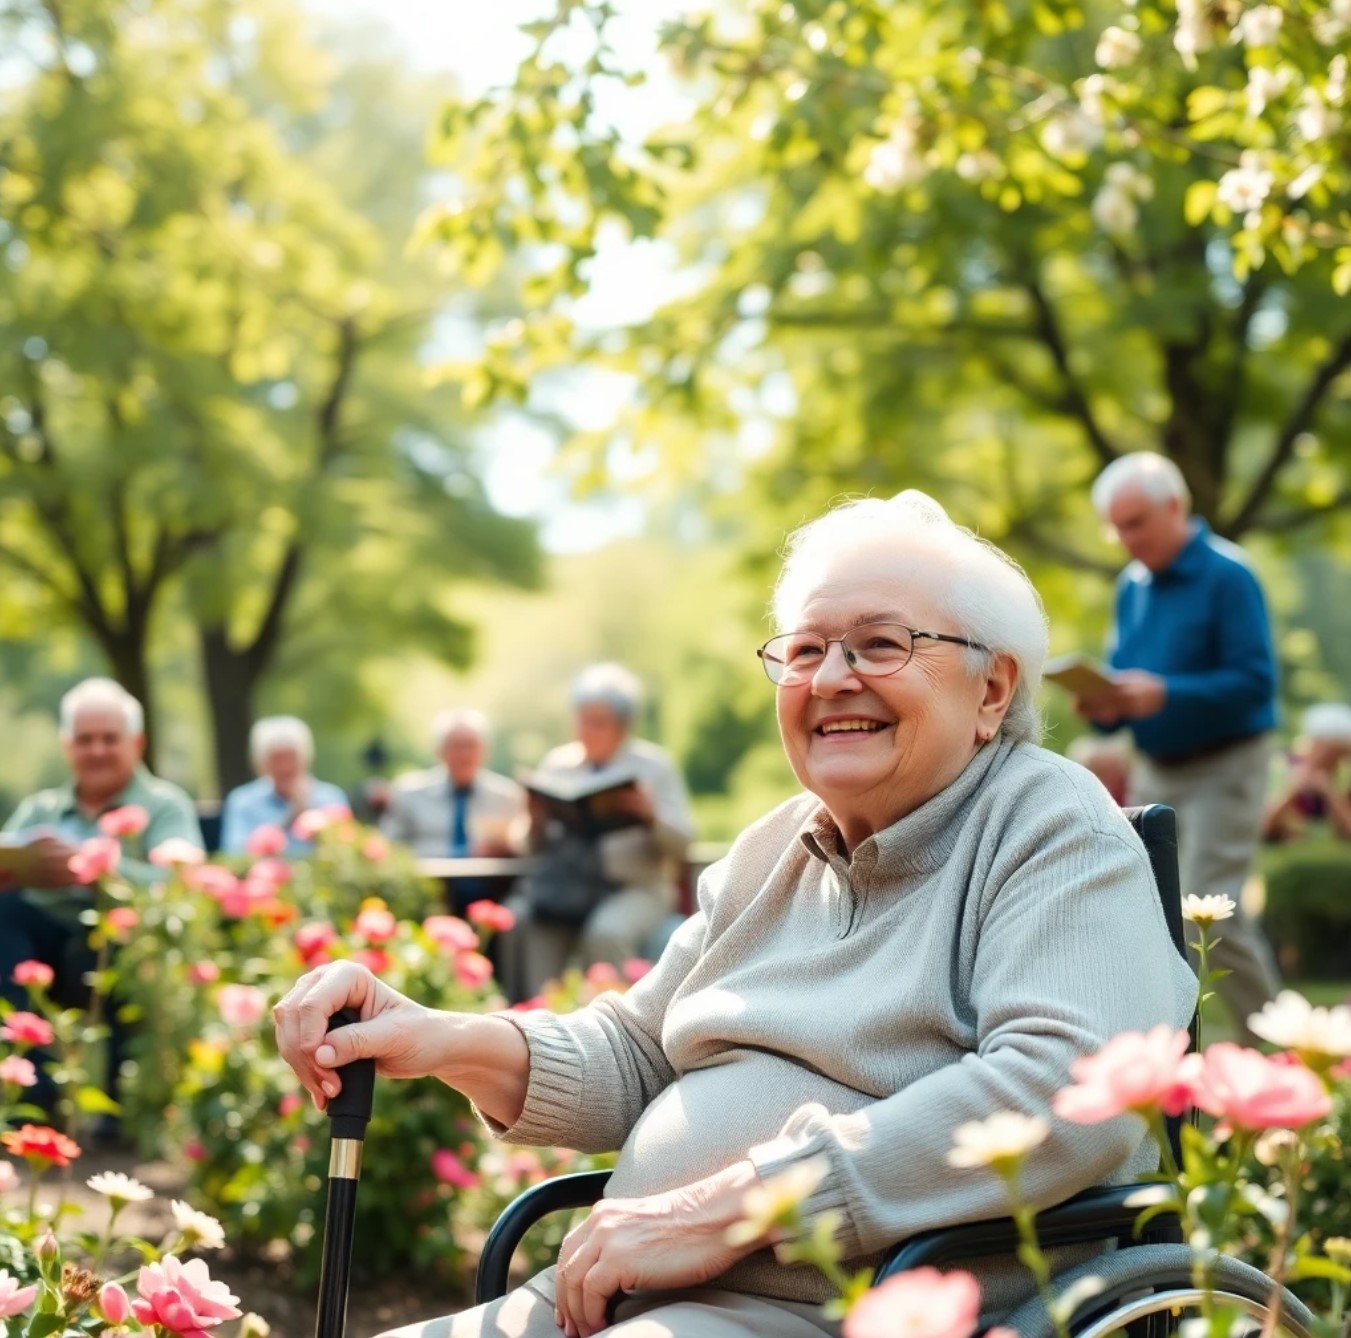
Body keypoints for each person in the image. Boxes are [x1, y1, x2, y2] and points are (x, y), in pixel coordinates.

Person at [275, 491, 1195, 1338]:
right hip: (625, 1292)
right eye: (805, 650)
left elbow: (1066, 1090)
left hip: (834, 1312)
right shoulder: (773, 847)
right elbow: (639, 1051)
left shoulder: (1050, 826)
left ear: (990, 690)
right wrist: (439, 1038)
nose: (829, 679)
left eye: (879, 645)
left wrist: (729, 1209)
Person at [1075, 452, 1281, 1045]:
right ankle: (1168, 1060)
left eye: (1136, 523)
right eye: (1116, 528)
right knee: (1151, 913)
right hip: (1156, 769)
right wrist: (1108, 706)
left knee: (1208, 912)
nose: (1126, 539)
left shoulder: (1229, 575)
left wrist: (1166, 693)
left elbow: (1255, 683)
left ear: (1175, 506)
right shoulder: (1131, 587)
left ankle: (1283, 1055)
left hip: (1225, 766)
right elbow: (1126, 680)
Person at [0, 677, 203, 1114]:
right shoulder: (40, 809)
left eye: (109, 739)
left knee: (126, 937)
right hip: (42, 948)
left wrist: (97, 871)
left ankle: (122, 1108)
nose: (96, 750)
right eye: (84, 740)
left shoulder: (165, 805)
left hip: (123, 948)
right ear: (66, 746)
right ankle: (32, 1095)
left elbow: (181, 883)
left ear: (137, 743)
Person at [500, 663, 694, 1002]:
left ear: (623, 725)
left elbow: (683, 842)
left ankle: (618, 1023)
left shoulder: (655, 766)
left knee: (607, 932)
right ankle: (537, 1017)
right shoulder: (558, 764)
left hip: (635, 888)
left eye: (598, 722)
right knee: (531, 923)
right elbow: (525, 844)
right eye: (582, 719)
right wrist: (535, 820)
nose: (587, 730)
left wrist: (650, 816)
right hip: (567, 886)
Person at [380, 709, 526, 859]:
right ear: (439, 751)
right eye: (455, 746)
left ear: (485, 750)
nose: (464, 754)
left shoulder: (509, 797)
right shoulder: (409, 793)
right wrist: (461, 853)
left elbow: (526, 849)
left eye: (470, 745)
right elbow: (390, 848)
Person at [218, 716, 350, 855]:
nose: (285, 767)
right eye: (276, 759)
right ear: (261, 764)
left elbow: (347, 851)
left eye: (291, 757)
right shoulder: (243, 801)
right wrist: (290, 818)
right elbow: (235, 854)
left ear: (305, 759)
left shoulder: (330, 798)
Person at [1262, 702, 1351, 843]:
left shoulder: (1345, 775)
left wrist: (1328, 791)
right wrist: (1295, 789)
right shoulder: (1285, 767)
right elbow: (1263, 828)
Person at [1066, 734, 1133, 807]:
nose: (1110, 777)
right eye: (1102, 772)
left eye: (1112, 770)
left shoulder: (1136, 790)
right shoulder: (1086, 804)